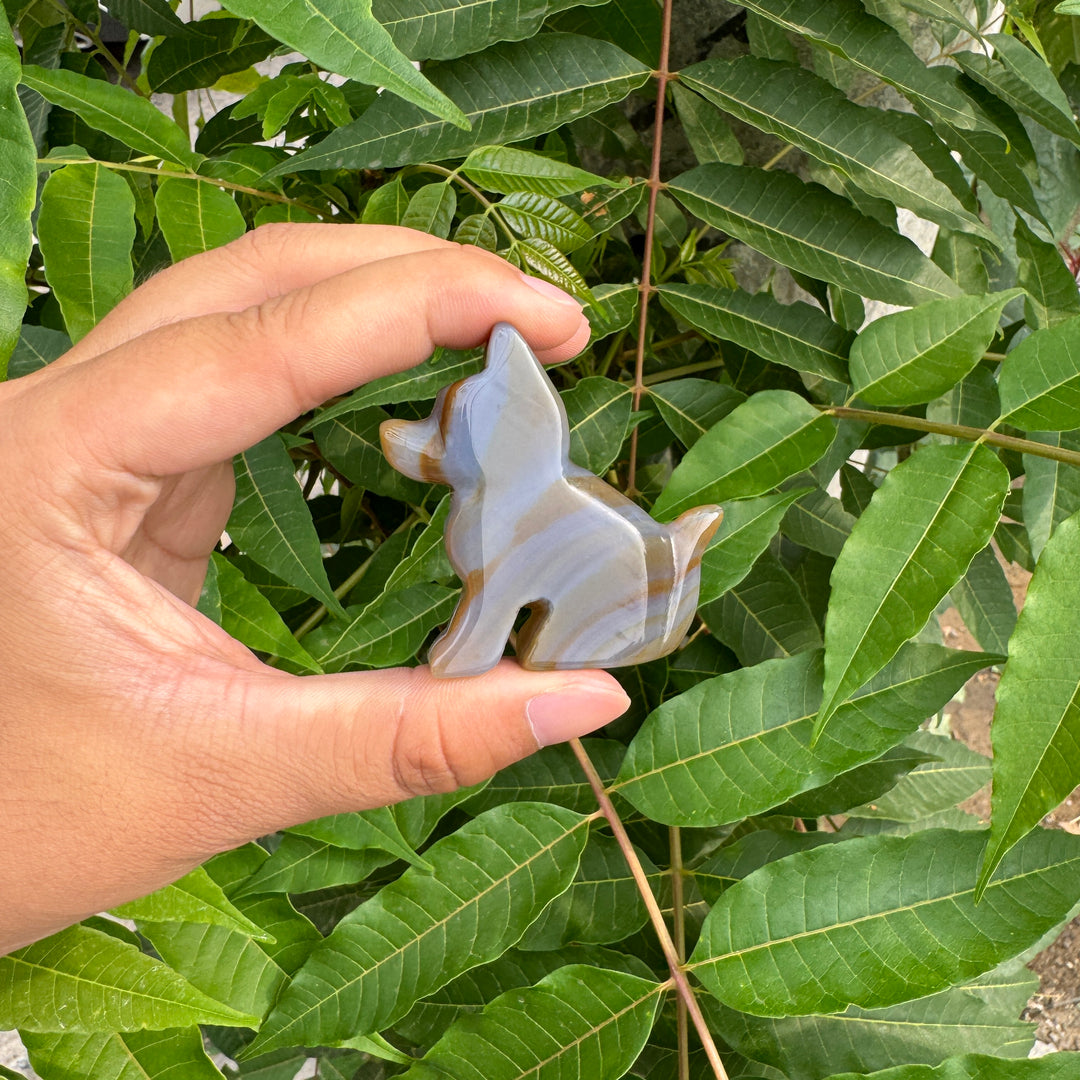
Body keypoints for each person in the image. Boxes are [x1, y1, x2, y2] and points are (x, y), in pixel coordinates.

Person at [0, 223, 630, 956]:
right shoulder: (497, 507)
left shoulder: (506, 516)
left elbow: (492, 602)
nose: (413, 441)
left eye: (448, 437)